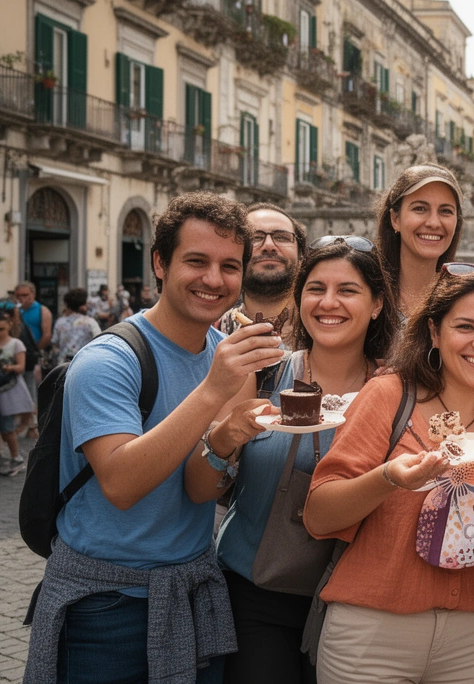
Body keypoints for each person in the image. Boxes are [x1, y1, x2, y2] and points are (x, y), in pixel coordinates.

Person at [24, 192, 286, 683]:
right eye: (197, 261)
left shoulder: (225, 356)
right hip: (104, 605)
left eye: (230, 266)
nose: (214, 279)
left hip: (192, 590)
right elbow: (123, 485)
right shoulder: (108, 361)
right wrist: (213, 391)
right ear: (160, 263)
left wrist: (228, 438)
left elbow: (199, 490)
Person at [303, 264, 474, 684]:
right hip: (373, 637)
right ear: (434, 332)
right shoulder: (389, 395)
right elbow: (319, 515)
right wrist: (388, 478)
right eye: (465, 326)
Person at [186, 235, 396, 684]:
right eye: (316, 289)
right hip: (258, 596)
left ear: (377, 304)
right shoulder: (262, 372)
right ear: (299, 299)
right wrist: (225, 436)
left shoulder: (398, 390)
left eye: (348, 290)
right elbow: (199, 489)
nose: (329, 303)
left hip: (360, 603)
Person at [376, 165, 464, 320]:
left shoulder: (464, 299)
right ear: (395, 219)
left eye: (445, 211)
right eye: (420, 209)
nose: (434, 223)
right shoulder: (368, 293)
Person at [216, 203, 306, 342]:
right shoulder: (207, 334)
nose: (269, 246)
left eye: (281, 237)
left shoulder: (328, 330)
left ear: (301, 256)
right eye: (255, 238)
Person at [0, 308, 33, 476]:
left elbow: (21, 367)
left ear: (9, 325)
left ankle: (16, 458)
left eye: (0, 329)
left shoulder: (16, 344)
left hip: (8, 391)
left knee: (8, 429)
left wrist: (8, 367)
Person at [52, 287, 102, 364]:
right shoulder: (90, 322)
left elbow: (55, 344)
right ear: (81, 306)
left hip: (64, 364)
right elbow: (100, 342)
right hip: (83, 364)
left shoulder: (60, 322)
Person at [15, 281, 53, 362]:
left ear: (33, 294)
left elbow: (47, 335)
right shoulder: (15, 310)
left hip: (34, 351)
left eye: (25, 295)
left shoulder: (42, 310)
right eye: (18, 295)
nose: (21, 298)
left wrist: (35, 351)